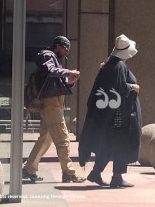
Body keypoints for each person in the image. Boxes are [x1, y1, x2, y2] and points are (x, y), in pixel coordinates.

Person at [78, 34, 142, 187]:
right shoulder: (118, 66)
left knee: (108, 143)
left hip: (108, 113)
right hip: (119, 114)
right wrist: (133, 87)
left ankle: (96, 172)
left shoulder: (109, 64)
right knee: (121, 143)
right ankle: (117, 177)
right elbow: (117, 88)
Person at [22, 36, 85, 183]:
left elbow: (56, 80)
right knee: (63, 139)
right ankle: (69, 172)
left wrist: (70, 82)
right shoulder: (48, 55)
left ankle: (29, 169)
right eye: (65, 47)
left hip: (54, 103)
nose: (67, 50)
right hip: (52, 104)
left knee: (45, 139)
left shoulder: (55, 60)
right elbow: (50, 70)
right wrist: (69, 72)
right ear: (58, 46)